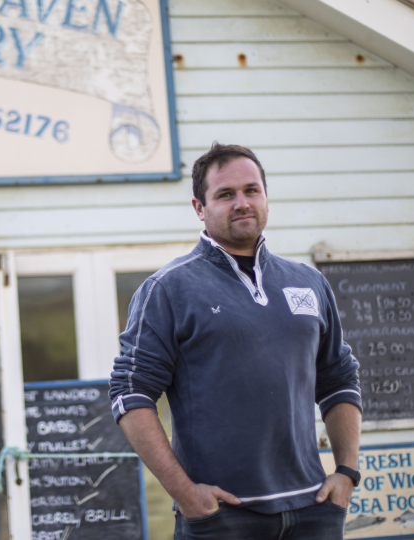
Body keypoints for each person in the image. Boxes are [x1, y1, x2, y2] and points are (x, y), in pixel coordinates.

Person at [109, 143, 362, 539]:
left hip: (314, 510)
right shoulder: (169, 289)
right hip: (221, 518)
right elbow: (130, 393)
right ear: (200, 207)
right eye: (226, 194)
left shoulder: (308, 282)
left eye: (251, 190)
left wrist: (346, 472)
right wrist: (186, 494)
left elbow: (339, 379)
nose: (242, 203)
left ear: (265, 196)